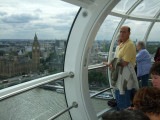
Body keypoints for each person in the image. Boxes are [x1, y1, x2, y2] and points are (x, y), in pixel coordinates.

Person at [112, 26, 137, 110]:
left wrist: (114, 63)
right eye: (121, 32)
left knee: (124, 104)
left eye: (124, 32)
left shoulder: (129, 45)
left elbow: (125, 63)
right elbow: (118, 59)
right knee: (119, 101)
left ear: (129, 33)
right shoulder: (122, 44)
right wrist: (113, 63)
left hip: (125, 77)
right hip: (119, 76)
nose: (122, 34)